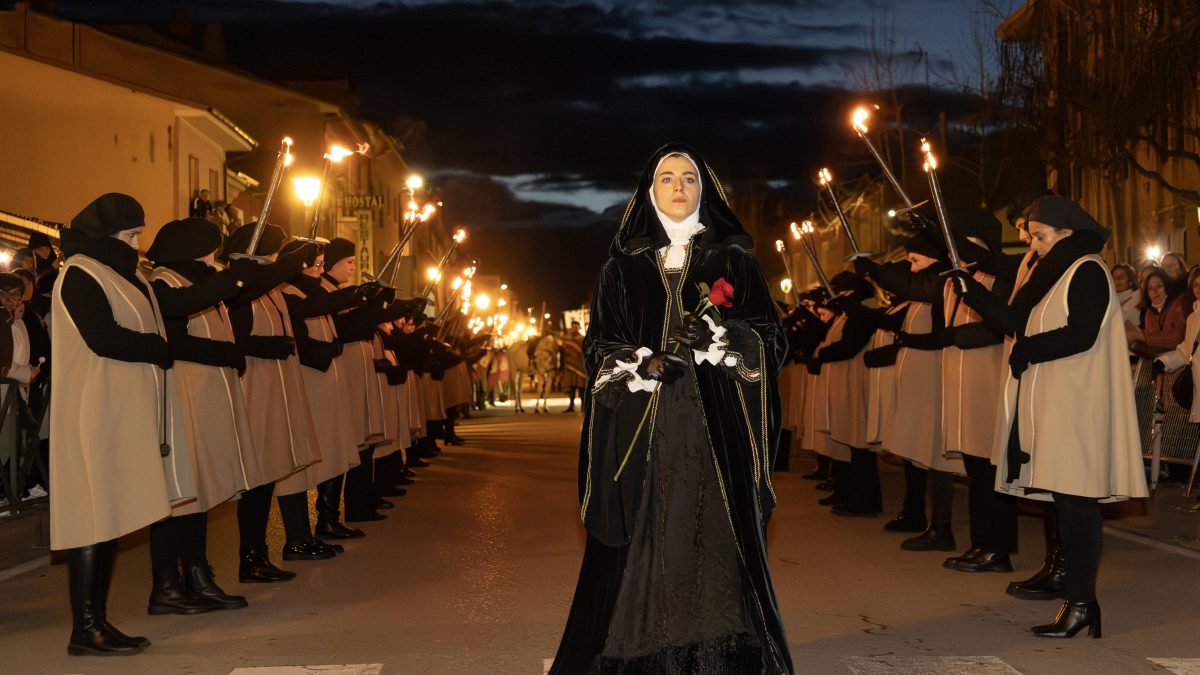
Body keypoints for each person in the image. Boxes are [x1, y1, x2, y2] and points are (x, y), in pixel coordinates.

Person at [550, 144, 793, 672]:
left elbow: (773, 340)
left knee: (716, 534)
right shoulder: (622, 268)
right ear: (649, 191)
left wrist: (726, 340)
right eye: (667, 178)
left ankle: (721, 645)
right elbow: (598, 346)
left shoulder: (735, 262)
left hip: (717, 428)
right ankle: (644, 645)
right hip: (648, 424)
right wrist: (638, 364)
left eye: (689, 178)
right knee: (649, 529)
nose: (679, 187)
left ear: (704, 190)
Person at [49, 193, 239, 655]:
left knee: (109, 515)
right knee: (93, 517)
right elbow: (101, 337)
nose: (138, 244)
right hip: (94, 409)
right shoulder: (79, 273)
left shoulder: (124, 274)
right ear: (109, 234)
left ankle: (97, 623)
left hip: (124, 408)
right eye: (133, 235)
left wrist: (238, 279)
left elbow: (177, 305)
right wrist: (160, 348)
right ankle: (86, 628)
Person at [953, 195, 1148, 638]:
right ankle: (1079, 603)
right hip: (1052, 401)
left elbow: (1081, 334)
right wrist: (975, 294)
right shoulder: (1050, 272)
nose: (1033, 245)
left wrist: (1026, 350)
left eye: (1040, 236)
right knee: (1067, 502)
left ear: (1066, 233)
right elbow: (1014, 321)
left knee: (1078, 504)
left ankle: (1082, 604)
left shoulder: (1087, 270)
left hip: (1077, 403)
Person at [145, 218, 260, 613]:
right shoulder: (163, 282)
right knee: (180, 494)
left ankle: (196, 575)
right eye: (211, 248)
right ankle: (167, 586)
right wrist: (224, 354)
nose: (215, 257)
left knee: (199, 491)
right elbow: (175, 339)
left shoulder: (190, 280)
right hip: (183, 398)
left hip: (203, 397)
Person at [1134, 267, 1187, 357]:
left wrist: (1144, 337)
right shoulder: (1149, 313)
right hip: (1158, 360)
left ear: (1166, 287)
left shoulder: (1177, 307)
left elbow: (1177, 339)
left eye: (1159, 286)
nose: (1155, 291)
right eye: (1150, 288)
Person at [559, 321, 586, 412]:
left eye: (575, 327)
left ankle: (583, 407)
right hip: (570, 366)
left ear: (578, 328)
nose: (574, 328)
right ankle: (571, 406)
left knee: (581, 387)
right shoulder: (568, 339)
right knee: (572, 388)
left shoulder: (582, 338)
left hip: (580, 366)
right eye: (572, 327)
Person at [1111, 263, 1139, 328]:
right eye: (1114, 277)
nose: (1118, 280)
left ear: (1130, 278)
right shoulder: (1110, 300)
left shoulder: (1137, 297)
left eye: (1122, 276)